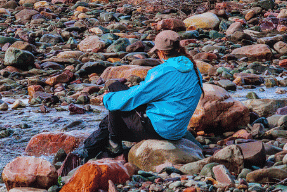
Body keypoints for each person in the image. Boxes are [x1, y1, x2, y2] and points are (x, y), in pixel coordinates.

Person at [71, 30, 204, 161]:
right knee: (117, 91)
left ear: (161, 52)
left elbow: (136, 96)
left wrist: (107, 99)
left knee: (114, 97)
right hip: (177, 130)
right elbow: (146, 92)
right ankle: (101, 144)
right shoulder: (193, 67)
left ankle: (92, 149)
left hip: (160, 130)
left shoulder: (164, 71)